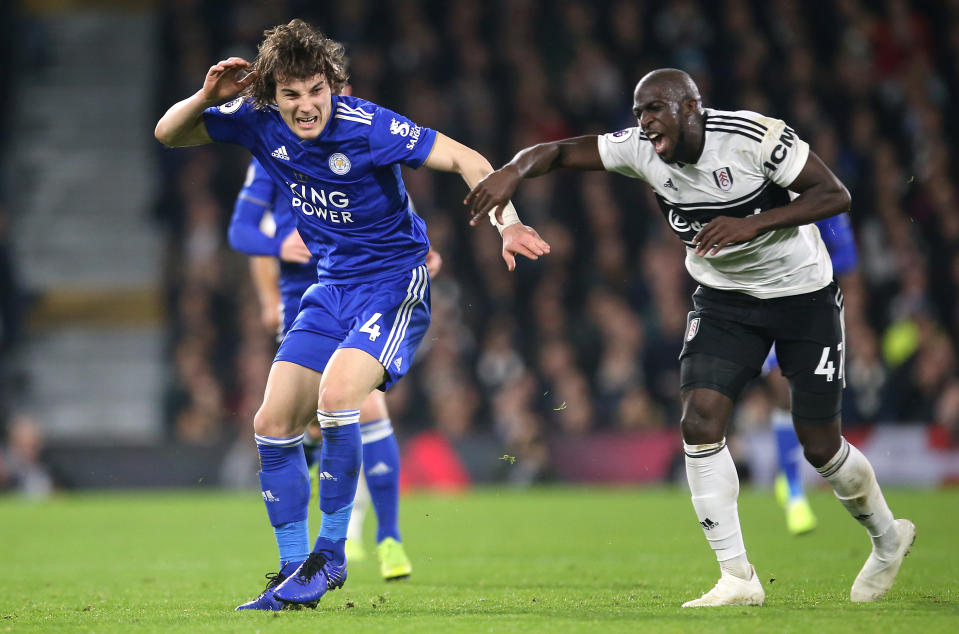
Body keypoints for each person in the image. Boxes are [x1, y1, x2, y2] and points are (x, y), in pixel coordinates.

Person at [466, 68, 915, 607]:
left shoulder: (753, 138)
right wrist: (515, 171)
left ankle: (887, 539)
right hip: (725, 299)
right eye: (638, 112)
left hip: (803, 296)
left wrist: (754, 223)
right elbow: (562, 151)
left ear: (691, 108)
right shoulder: (641, 150)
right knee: (699, 420)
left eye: (655, 109)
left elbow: (834, 194)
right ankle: (738, 578)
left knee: (819, 445)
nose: (644, 122)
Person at [156, 19, 549, 611]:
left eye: (315, 90)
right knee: (270, 423)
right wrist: (206, 96)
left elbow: (469, 159)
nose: (306, 105)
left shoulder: (369, 125)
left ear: (331, 84)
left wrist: (508, 221)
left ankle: (332, 555)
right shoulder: (258, 120)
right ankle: (294, 569)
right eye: (291, 94)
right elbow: (169, 134)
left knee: (338, 398)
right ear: (273, 97)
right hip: (330, 287)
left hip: (393, 285)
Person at [228, 156, 443, 582]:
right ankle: (315, 529)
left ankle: (386, 539)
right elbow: (248, 232)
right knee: (297, 424)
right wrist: (269, 292)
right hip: (306, 306)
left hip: (364, 296)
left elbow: (399, 216)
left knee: (366, 408)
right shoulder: (272, 154)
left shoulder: (360, 151)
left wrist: (423, 253)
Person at [763, 212, 859, 536]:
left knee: (811, 400)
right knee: (781, 389)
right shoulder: (753, 188)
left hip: (816, 305)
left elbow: (846, 257)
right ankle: (793, 491)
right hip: (765, 300)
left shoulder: (822, 198)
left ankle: (789, 472)